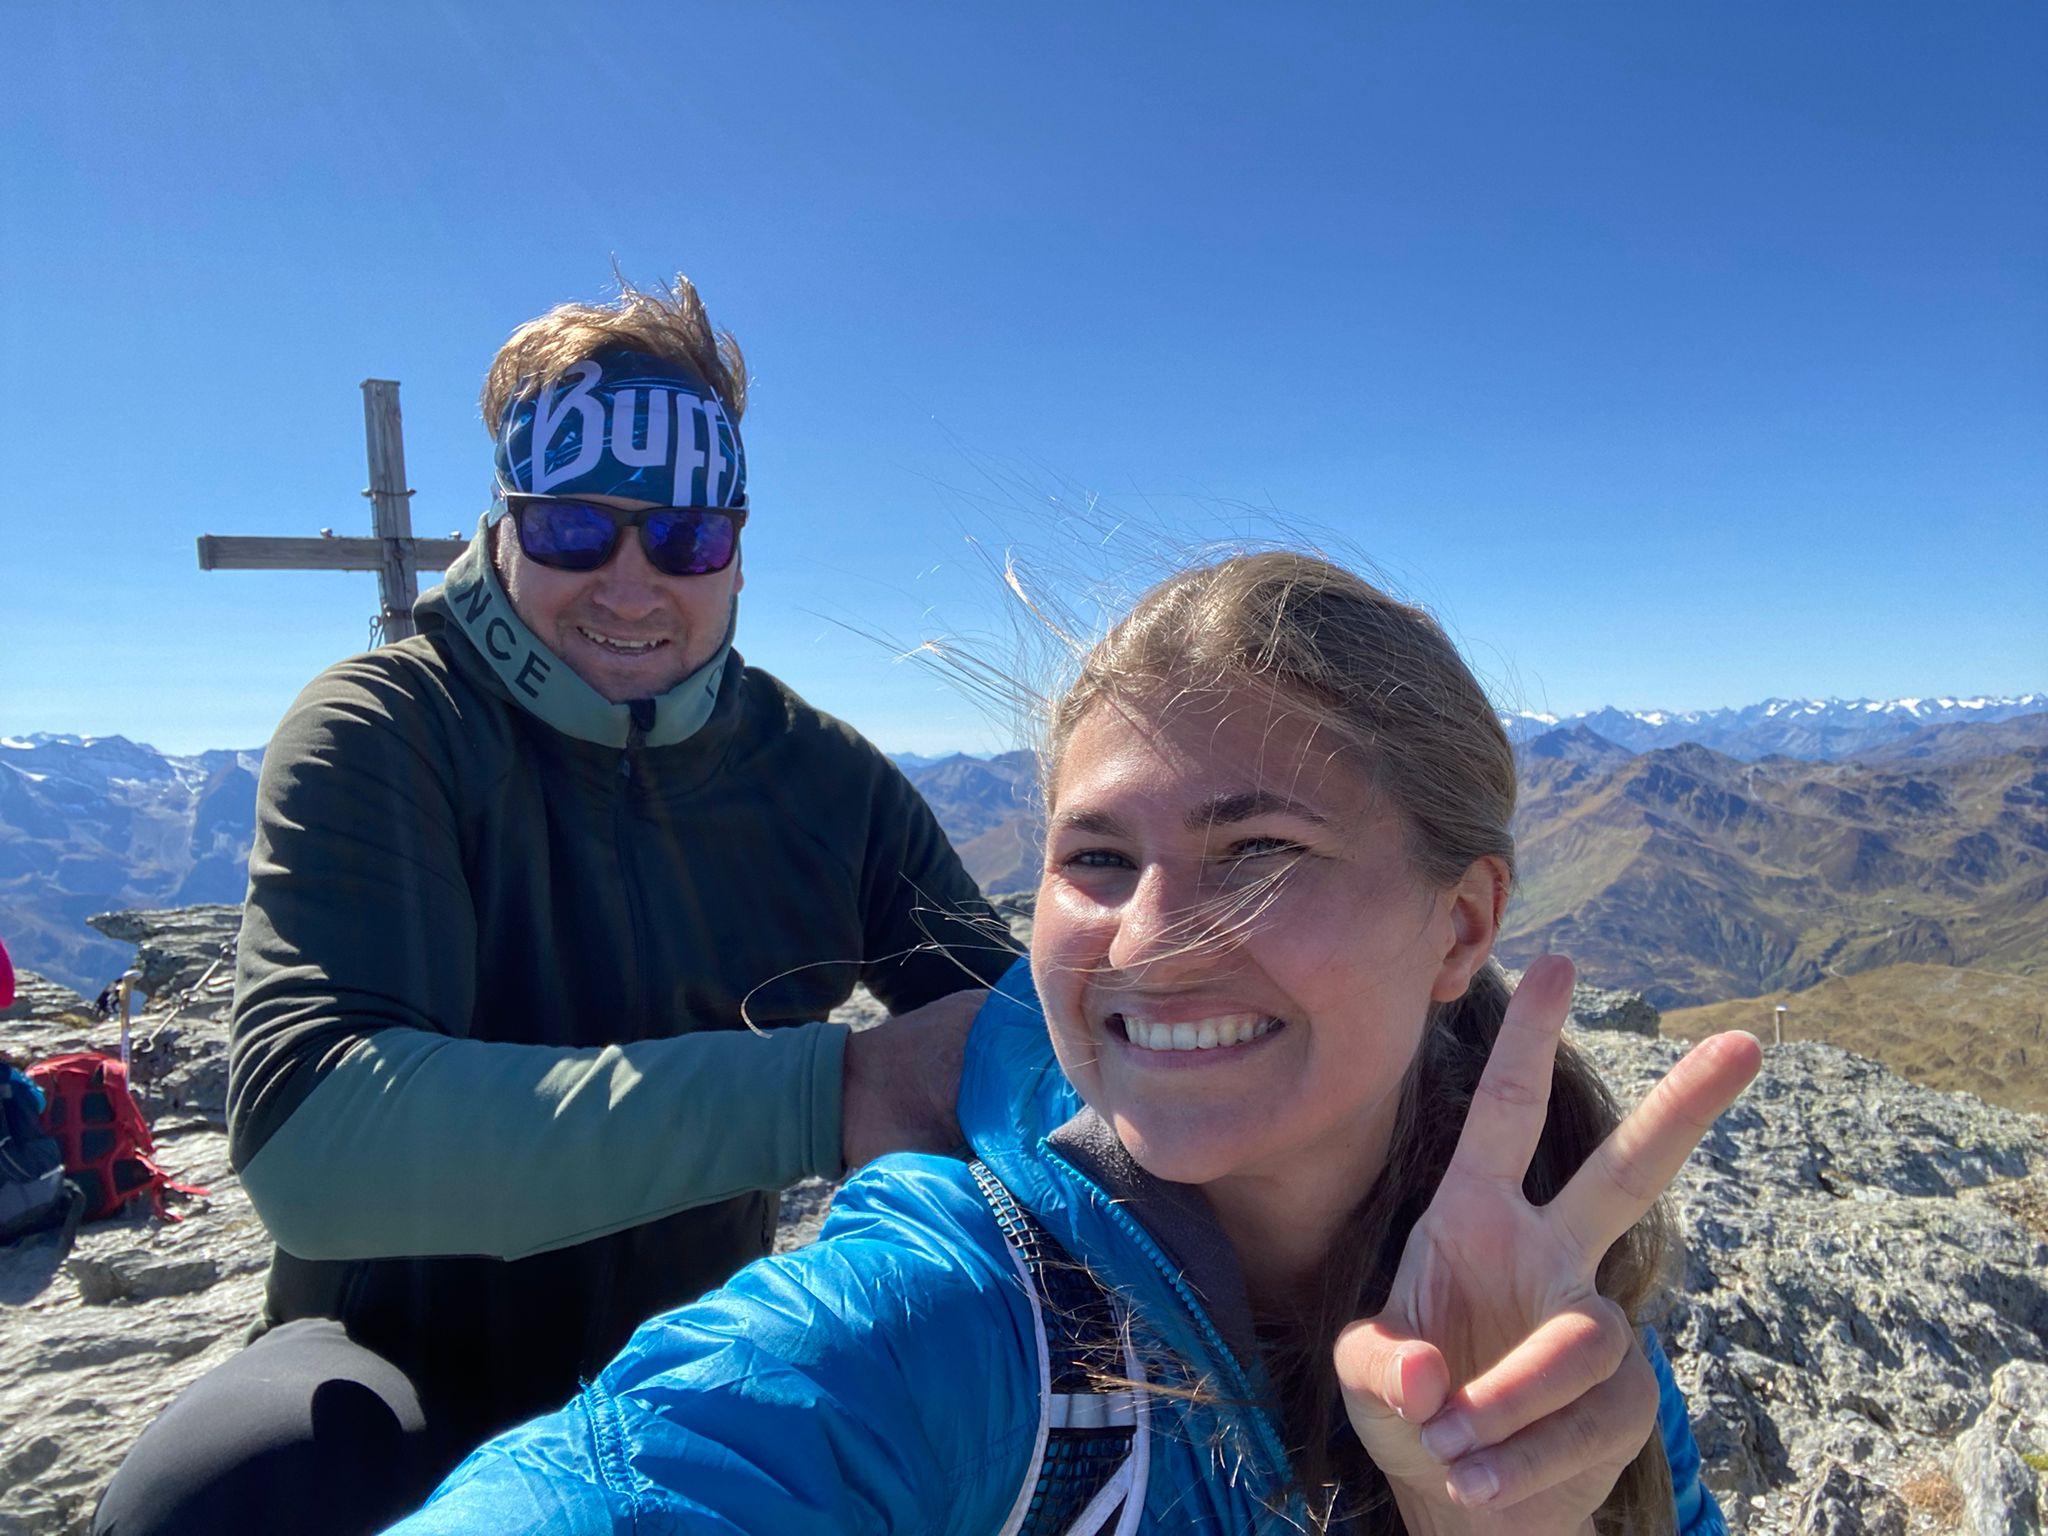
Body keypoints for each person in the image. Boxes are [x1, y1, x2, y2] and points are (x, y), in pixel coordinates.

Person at [383, 551, 1759, 1534]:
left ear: (1461, 925)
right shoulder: (950, 1321)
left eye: (1257, 850)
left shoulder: (1543, 1318)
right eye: (1095, 858)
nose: (1146, 939)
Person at [93, 276, 1012, 1536]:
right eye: (578, 529)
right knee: (218, 1497)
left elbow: (1013, 1041)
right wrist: (827, 1092)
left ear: (737, 552)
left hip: (701, 1358)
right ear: (506, 527)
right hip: (396, 1359)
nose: (631, 587)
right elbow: (315, 1141)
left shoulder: (823, 781)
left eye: (684, 538)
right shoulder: (388, 730)